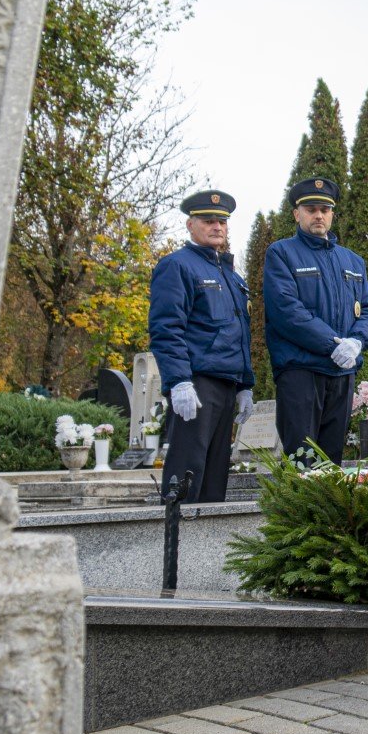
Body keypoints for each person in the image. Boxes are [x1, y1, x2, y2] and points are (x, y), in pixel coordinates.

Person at [262, 177, 368, 465]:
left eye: (325, 210)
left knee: (331, 462)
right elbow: (287, 310)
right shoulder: (281, 253)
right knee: (302, 460)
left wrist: (356, 342)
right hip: (301, 370)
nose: (319, 215)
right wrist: (332, 343)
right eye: (311, 209)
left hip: (342, 372)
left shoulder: (352, 261)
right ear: (297, 213)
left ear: (332, 214)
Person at [147, 189, 255, 503]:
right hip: (196, 383)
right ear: (190, 225)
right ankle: (174, 544)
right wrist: (179, 380)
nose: (217, 227)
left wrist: (245, 383)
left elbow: (239, 333)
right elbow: (167, 328)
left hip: (226, 384)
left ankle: (205, 548)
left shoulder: (232, 276)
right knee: (188, 470)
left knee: (215, 473)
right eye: (208, 221)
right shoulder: (177, 266)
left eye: (222, 222)